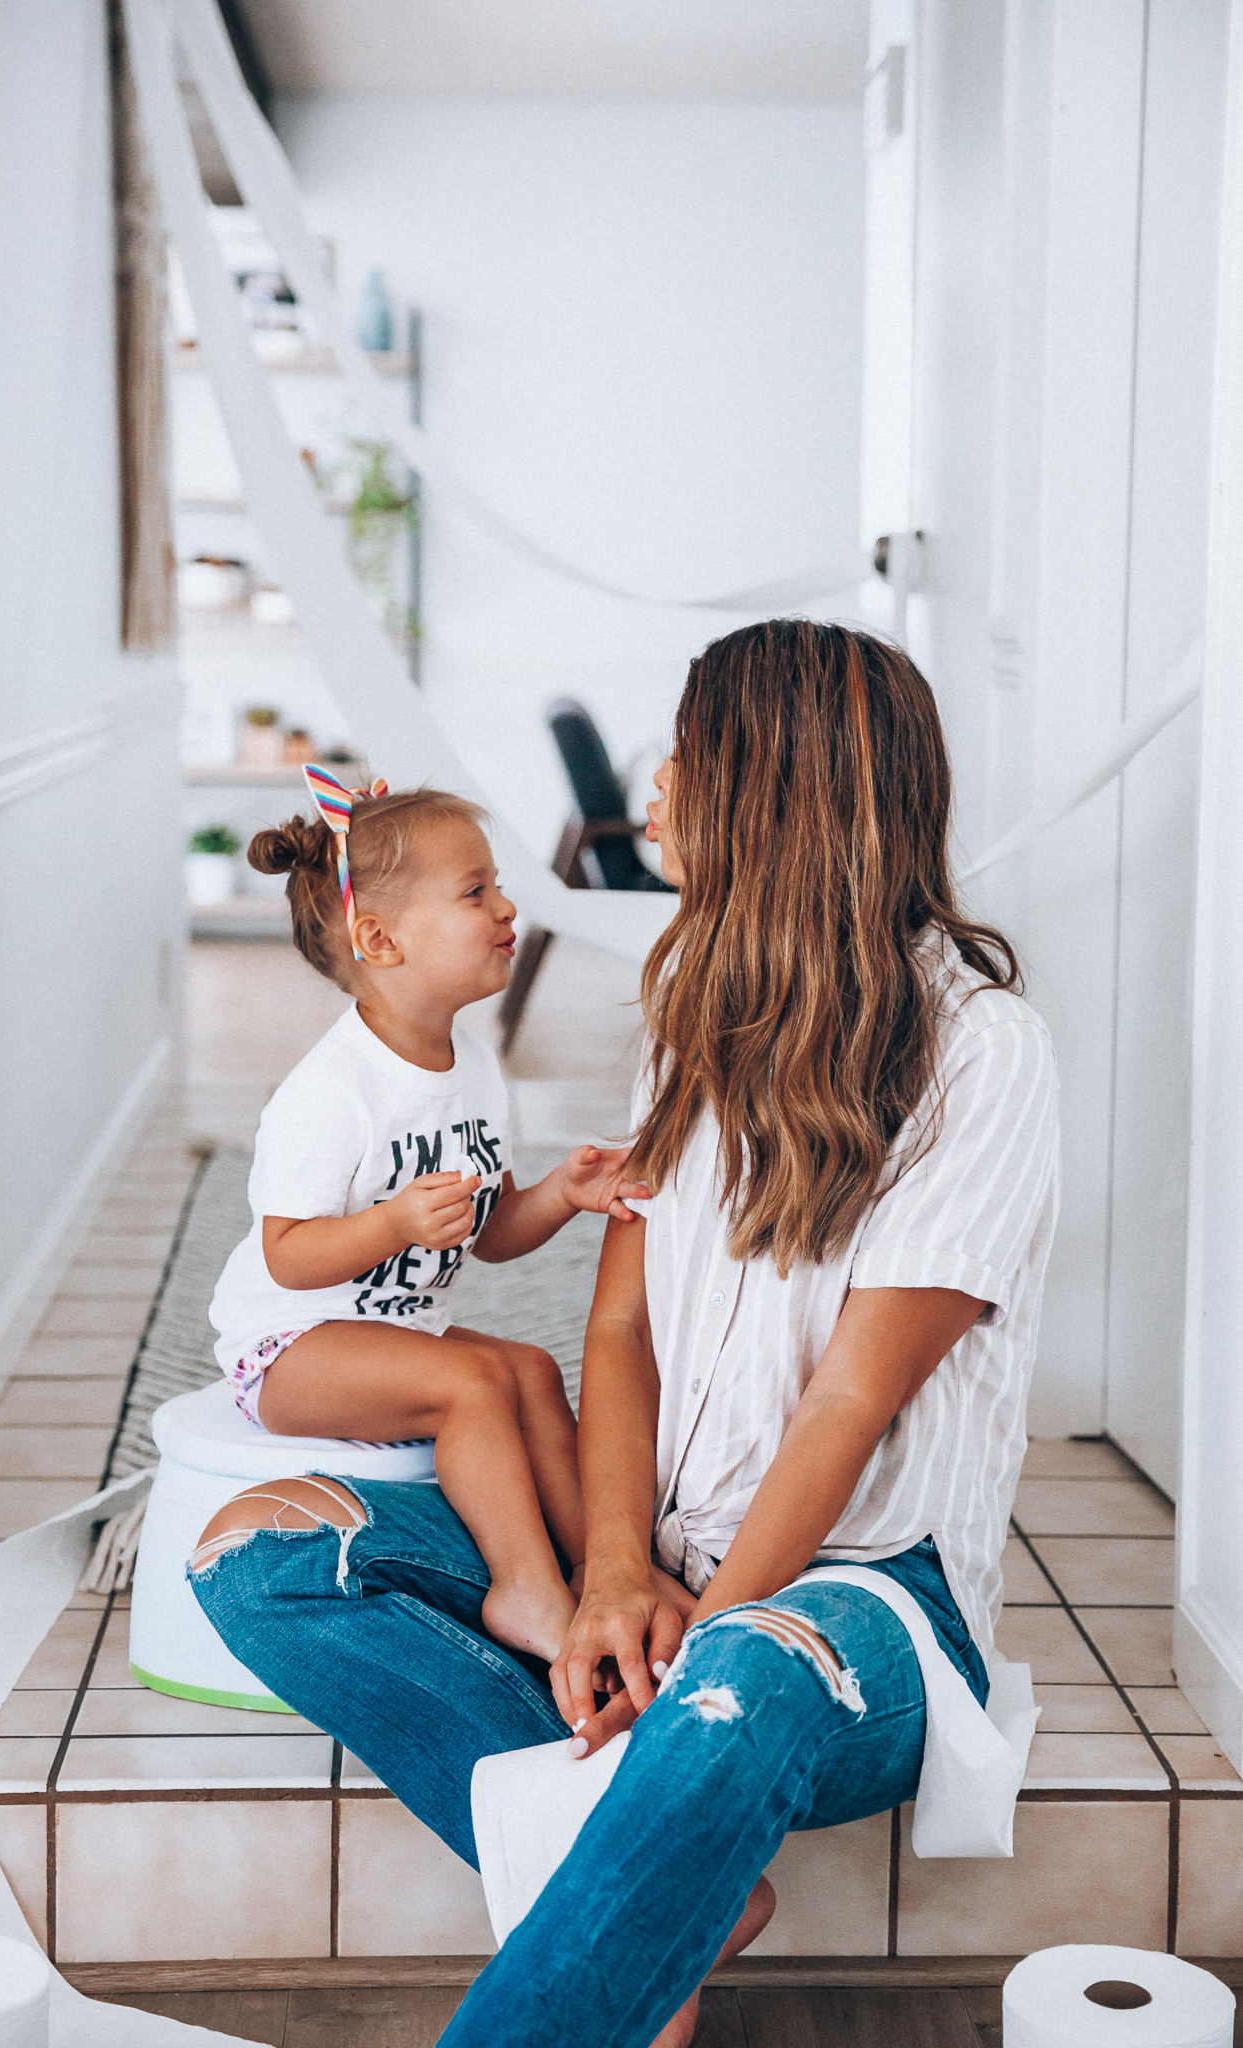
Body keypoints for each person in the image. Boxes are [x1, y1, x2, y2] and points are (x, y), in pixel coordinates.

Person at [189, 623, 1060, 2048]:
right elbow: (622, 1344)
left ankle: (635, 1822)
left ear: (776, 795)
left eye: (688, 751)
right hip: (657, 1545)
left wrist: (695, 1627)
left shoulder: (980, 1050)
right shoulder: (688, 1008)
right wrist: (604, 1579)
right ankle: (672, 1880)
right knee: (257, 1554)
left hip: (861, 1593)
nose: (654, 785)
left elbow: (847, 1402)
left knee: (736, 1682)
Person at [205, 776, 645, 1663]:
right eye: (475, 891)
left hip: (387, 1334)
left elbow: (491, 1232)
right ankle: (526, 1588)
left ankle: (606, 1571)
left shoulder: (475, 1067)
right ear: (380, 938)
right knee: (471, 1387)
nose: (506, 905)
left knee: (523, 1369)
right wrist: (393, 1224)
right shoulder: (331, 1092)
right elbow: (287, 1259)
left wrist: (563, 1193)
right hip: (288, 1348)